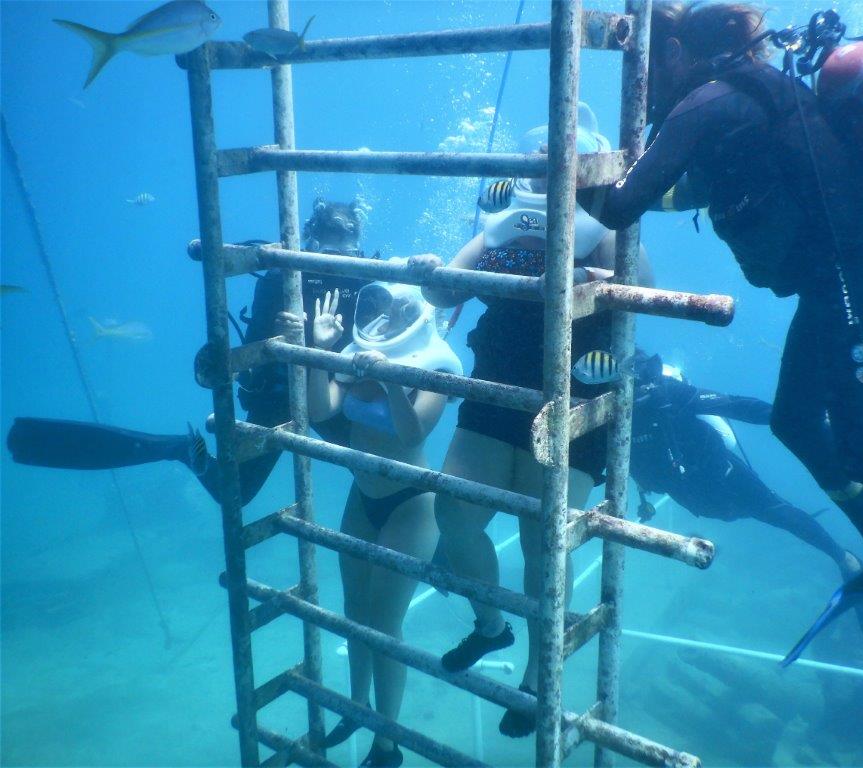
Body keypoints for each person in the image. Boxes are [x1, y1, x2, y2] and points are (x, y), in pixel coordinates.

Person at [576, 1, 863, 663]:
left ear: (675, 53)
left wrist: (561, 173)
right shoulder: (751, 98)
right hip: (845, 274)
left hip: (850, 273)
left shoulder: (705, 105)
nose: (644, 86)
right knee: (791, 421)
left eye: (649, 62)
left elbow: (617, 205)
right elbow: (694, 188)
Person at [407, 104, 655, 737]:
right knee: (454, 515)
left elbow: (646, 290)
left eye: (561, 169)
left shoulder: (605, 220)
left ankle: (539, 676)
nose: (548, 181)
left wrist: (597, 234)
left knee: (546, 538)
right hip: (493, 392)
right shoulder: (503, 222)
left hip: (574, 397)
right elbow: (441, 293)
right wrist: (492, 232)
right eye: (539, 169)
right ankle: (492, 627)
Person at [7, 197, 375, 506]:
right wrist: (276, 338)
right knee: (236, 493)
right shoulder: (282, 277)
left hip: (332, 389)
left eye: (348, 253)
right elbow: (248, 355)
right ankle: (183, 449)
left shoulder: (367, 278)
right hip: (277, 392)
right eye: (326, 253)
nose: (335, 265)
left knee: (375, 461)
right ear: (310, 243)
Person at [630, 351, 863, 660]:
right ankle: (844, 559)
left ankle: (844, 559)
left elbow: (734, 405)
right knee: (774, 511)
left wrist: (803, 419)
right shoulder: (610, 409)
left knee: (777, 512)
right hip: (703, 495)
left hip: (722, 480)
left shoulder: (666, 392)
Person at [304, 268, 462, 768]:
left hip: (410, 502)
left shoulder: (438, 363)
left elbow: (413, 435)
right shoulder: (355, 355)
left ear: (421, 312)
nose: (389, 318)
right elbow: (319, 408)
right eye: (383, 309)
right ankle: (358, 708)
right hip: (361, 495)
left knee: (385, 625)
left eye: (402, 309)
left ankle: (387, 744)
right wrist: (319, 348)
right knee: (355, 612)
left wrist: (395, 385)